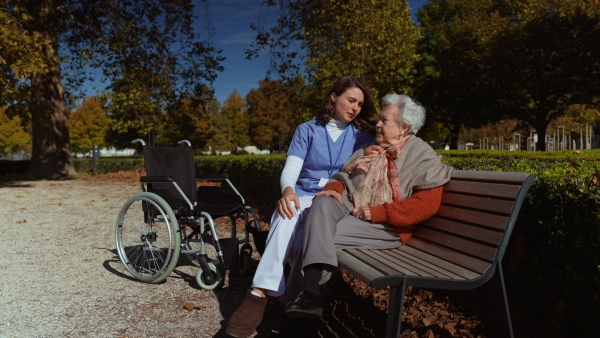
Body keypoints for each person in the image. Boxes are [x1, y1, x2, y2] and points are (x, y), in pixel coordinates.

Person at [225, 76, 377, 338]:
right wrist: (287, 192)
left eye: (360, 104)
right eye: (351, 100)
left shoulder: (363, 136)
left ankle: (282, 297)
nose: (355, 108)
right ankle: (260, 293)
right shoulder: (307, 130)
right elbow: (291, 169)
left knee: (308, 227)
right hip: (304, 192)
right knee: (286, 213)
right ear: (333, 97)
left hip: (336, 198)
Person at [282, 94, 453, 318]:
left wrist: (378, 212)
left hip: (386, 226)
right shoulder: (368, 148)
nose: (377, 124)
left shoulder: (421, 155)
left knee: (317, 235)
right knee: (322, 202)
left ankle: (303, 301)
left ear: (404, 127)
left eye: (384, 120)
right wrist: (337, 187)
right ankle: (309, 296)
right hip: (349, 212)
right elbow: (342, 177)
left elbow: (426, 205)